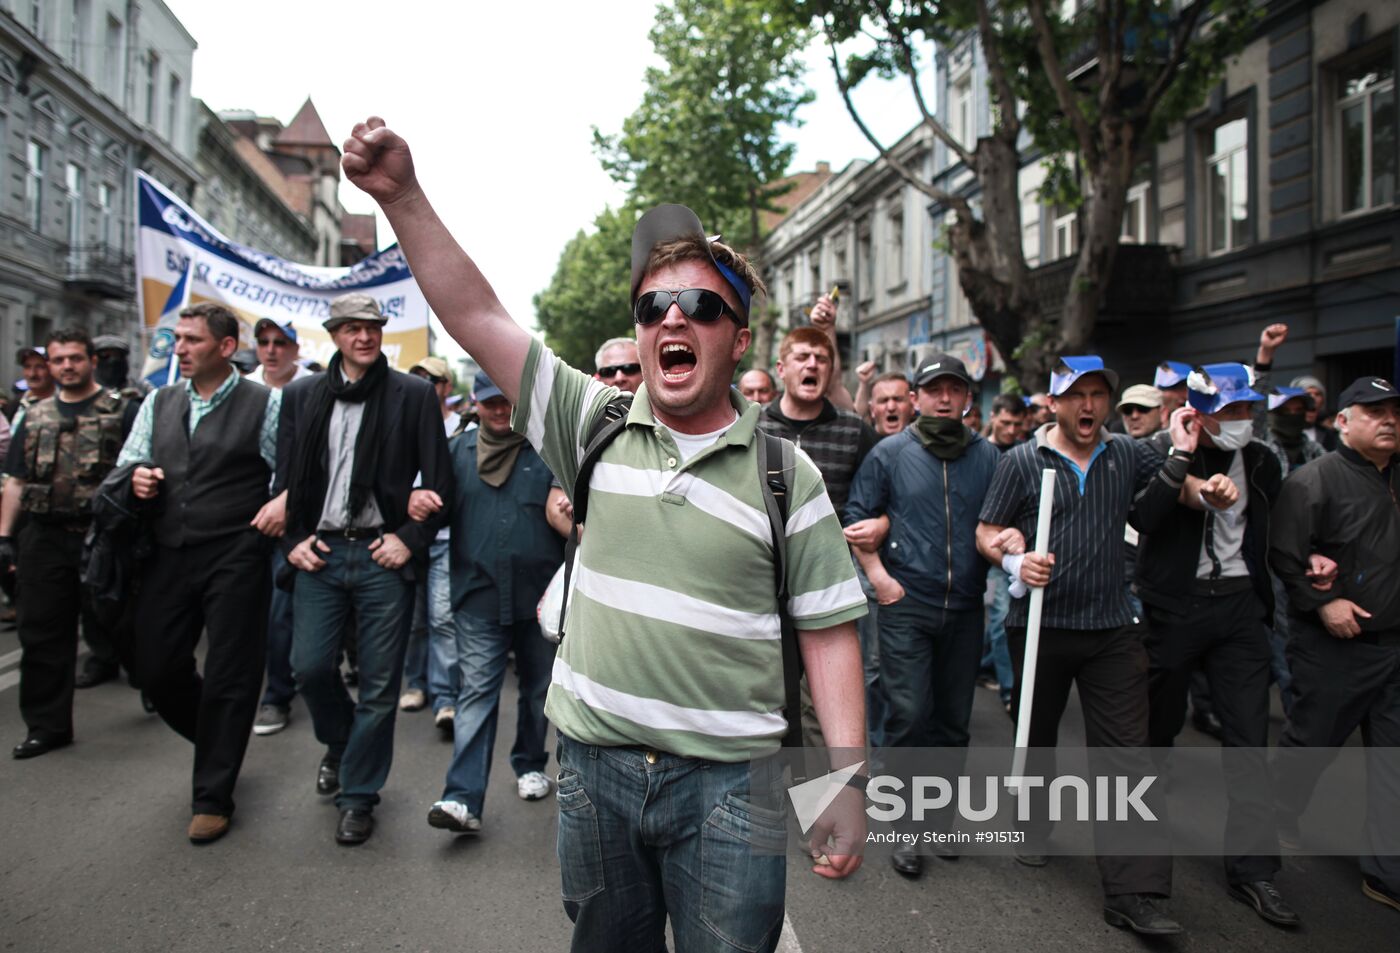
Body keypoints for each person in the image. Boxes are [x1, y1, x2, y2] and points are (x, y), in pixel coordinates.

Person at [342, 115, 867, 950]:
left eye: (701, 306)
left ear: (738, 337)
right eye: (655, 305)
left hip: (734, 786)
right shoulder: (591, 420)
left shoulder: (785, 474)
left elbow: (829, 632)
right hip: (593, 772)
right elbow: (475, 312)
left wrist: (844, 779)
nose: (672, 319)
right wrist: (403, 197)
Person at [977, 355, 1194, 937]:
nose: (1090, 406)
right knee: (1038, 739)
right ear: (1055, 402)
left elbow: (1151, 514)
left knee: (1127, 756)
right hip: (1040, 626)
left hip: (1111, 628)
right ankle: (1033, 822)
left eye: (1099, 395)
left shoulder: (1125, 453)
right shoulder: (1023, 460)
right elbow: (986, 532)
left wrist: (1182, 455)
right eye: (1078, 395)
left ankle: (1135, 892)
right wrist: (1015, 555)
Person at [279, 291, 453, 846]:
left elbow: (442, 485)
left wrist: (409, 538)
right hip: (322, 552)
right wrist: (291, 541)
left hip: (382, 555)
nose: (364, 336)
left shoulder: (414, 395)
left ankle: (358, 796)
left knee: (380, 686)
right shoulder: (303, 395)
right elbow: (285, 485)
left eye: (373, 326)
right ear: (334, 335)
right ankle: (342, 742)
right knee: (308, 668)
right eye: (352, 328)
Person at [1134, 357, 1298, 927]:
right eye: (1230, 409)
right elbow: (1146, 517)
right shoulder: (1159, 449)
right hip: (1173, 610)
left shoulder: (1261, 461)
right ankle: (1139, 865)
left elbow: (1278, 530)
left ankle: (1254, 872)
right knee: (1155, 734)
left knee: (1250, 742)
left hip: (1239, 612)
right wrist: (1181, 460)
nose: (1243, 419)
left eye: (1249, 408)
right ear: (1199, 412)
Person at [115, 304, 284, 842]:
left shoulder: (266, 403)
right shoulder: (159, 402)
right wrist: (137, 477)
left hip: (236, 551)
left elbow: (296, 472)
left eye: (190, 339)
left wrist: (282, 501)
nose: (179, 348)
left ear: (226, 347)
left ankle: (212, 796)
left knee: (232, 672)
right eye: (177, 339)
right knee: (157, 668)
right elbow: (129, 460)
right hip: (169, 549)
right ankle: (219, 738)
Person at [844, 354, 1000, 878]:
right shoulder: (890, 453)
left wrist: (1011, 540)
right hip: (906, 604)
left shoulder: (989, 457)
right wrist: (880, 577)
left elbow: (1002, 520)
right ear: (916, 398)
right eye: (934, 389)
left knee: (952, 723)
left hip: (965, 607)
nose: (944, 398)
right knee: (909, 718)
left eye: (954, 389)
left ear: (966, 399)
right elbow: (856, 517)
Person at [1271, 375, 1400, 915]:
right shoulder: (1312, 481)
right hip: (1333, 646)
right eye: (1374, 412)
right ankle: (1277, 814)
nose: (1389, 420)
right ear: (1342, 422)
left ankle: (1386, 871)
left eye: (1394, 411)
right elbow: (1282, 555)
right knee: (1313, 743)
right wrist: (1322, 602)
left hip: (1394, 647)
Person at [421, 371, 561, 833]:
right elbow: (435, 512)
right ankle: (462, 797)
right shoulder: (455, 453)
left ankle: (529, 764)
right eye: (489, 403)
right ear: (475, 404)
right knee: (476, 694)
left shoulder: (546, 450)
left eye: (507, 402)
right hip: (478, 596)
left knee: (538, 689)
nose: (500, 411)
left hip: (539, 598)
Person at [1, 329, 140, 759]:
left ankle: (156, 681)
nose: (65, 367)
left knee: (125, 623)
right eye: (58, 360)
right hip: (44, 536)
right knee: (41, 633)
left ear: (91, 361)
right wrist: (5, 536)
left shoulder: (123, 410)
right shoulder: (35, 413)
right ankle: (47, 726)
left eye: (74, 359)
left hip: (104, 537)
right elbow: (17, 480)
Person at [399, 355, 462, 736]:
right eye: (416, 377)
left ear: (446, 386)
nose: (422, 385)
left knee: (441, 619)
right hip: (406, 538)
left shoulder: (460, 429)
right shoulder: (399, 424)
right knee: (412, 619)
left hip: (444, 538)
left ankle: (445, 697)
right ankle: (416, 684)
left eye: (431, 379)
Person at [759, 325, 876, 517]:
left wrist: (880, 523)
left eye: (821, 359)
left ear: (830, 372)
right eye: (802, 357)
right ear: (781, 369)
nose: (812, 364)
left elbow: (880, 492)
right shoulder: (754, 425)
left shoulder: (854, 430)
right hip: (764, 546)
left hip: (830, 546)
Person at [1263, 387, 1324, 475]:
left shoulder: (1315, 450)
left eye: (1299, 411)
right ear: (1272, 413)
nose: (1293, 416)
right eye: (1285, 411)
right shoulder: (1262, 450)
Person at [246, 318, 312, 390]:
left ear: (295, 349)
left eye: (279, 343)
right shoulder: (244, 386)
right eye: (263, 342)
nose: (270, 350)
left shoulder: (315, 387)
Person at [1289, 374, 1339, 452]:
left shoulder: (1330, 435)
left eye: (1317, 394)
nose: (1313, 398)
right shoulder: (1282, 433)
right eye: (1308, 394)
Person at [11, 346, 54, 430]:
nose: (32, 374)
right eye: (27, 367)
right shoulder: (16, 404)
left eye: (40, 367)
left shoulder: (63, 404)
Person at [869, 372, 915, 437]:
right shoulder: (860, 445)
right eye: (883, 401)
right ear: (872, 410)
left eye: (898, 399)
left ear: (912, 406)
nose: (891, 407)